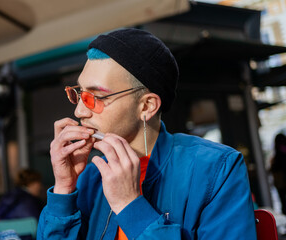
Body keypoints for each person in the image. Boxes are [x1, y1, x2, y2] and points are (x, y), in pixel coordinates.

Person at [37, 28, 256, 239]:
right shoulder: (89, 175)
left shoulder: (217, 170)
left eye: (96, 97)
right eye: (79, 94)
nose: (79, 111)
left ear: (147, 106)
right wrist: (64, 191)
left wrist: (130, 205)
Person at [270, 133, 286, 214]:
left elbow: (272, 169)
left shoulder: (275, 155)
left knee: (283, 202)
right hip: (281, 181)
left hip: (280, 183)